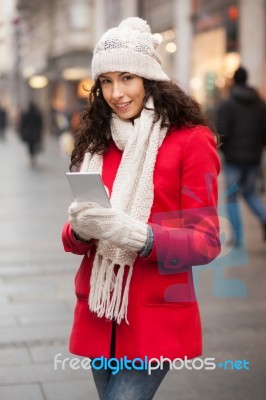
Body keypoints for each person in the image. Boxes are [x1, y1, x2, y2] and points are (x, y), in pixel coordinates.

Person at [62, 17, 221, 400]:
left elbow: (207, 241)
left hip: (153, 316)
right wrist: (81, 229)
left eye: (127, 78)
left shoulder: (192, 141)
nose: (116, 93)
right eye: (106, 81)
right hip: (99, 311)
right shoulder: (97, 143)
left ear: (149, 78)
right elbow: (72, 239)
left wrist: (140, 236)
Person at [215, 66, 266, 246]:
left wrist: (225, 150)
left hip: (234, 159)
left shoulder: (227, 104)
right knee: (250, 192)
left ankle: (237, 238)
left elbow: (221, 131)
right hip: (253, 158)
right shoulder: (260, 104)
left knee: (232, 197)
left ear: (234, 81)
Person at [19, 101, 43, 166]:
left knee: (30, 145)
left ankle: (31, 156)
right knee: (33, 145)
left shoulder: (27, 114)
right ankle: (32, 156)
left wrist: (21, 130)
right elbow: (40, 124)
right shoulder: (37, 114)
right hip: (35, 133)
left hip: (29, 133)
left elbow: (23, 123)